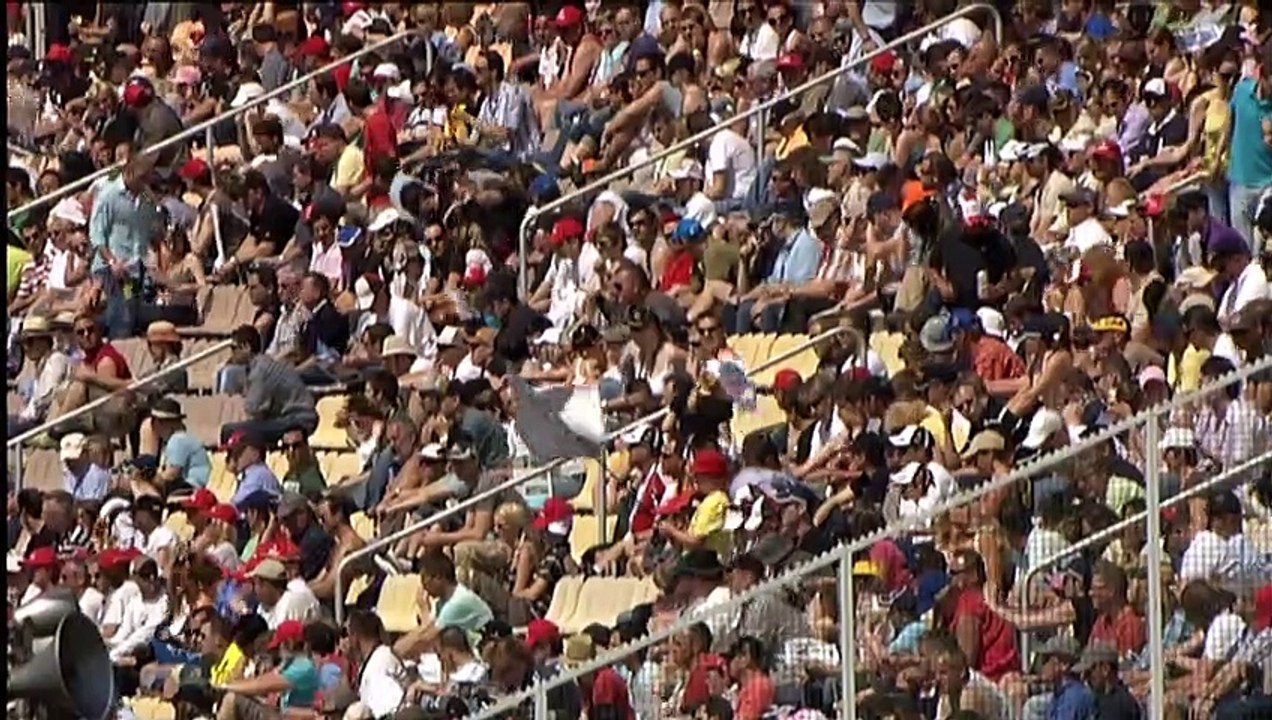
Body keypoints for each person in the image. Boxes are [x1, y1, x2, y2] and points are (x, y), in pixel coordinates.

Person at [220, 324, 319, 445]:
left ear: (246, 347)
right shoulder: (262, 365)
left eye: (234, 348)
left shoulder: (261, 370)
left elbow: (254, 410)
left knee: (230, 431)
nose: (232, 353)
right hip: (291, 417)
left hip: (297, 419)